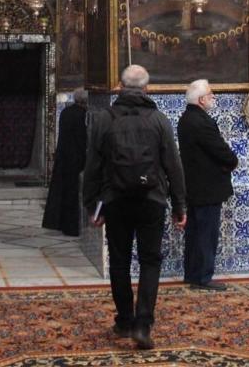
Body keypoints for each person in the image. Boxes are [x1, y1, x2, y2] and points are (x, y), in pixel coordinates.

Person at [82, 64, 187, 351]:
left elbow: (92, 165)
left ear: (119, 86)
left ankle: (125, 320)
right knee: (150, 261)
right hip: (152, 199)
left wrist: (92, 205)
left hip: (115, 199)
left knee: (119, 261)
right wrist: (180, 205)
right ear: (147, 88)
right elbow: (173, 165)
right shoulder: (159, 120)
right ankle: (143, 324)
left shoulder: (104, 119)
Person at [177, 79, 239, 291]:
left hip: (194, 186)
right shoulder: (201, 122)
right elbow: (220, 150)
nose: (213, 97)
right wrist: (232, 161)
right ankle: (203, 277)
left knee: (195, 232)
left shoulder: (186, 118)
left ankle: (192, 274)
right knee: (206, 234)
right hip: (207, 188)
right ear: (202, 99)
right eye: (211, 94)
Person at [41, 89, 90, 236]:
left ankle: (62, 224)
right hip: (77, 159)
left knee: (64, 192)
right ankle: (73, 228)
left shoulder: (66, 112)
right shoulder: (83, 115)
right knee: (73, 194)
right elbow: (82, 138)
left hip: (64, 157)